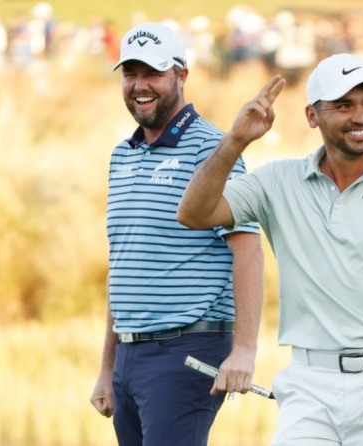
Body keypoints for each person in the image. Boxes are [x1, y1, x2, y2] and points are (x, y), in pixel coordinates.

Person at [177, 53, 363, 444]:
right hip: (308, 386)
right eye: (344, 105)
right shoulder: (278, 183)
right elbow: (194, 214)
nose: (362, 117)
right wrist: (234, 142)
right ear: (312, 116)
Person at [89, 22, 265, 446]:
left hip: (188, 349)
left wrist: (244, 350)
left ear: (181, 75)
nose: (139, 85)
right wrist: (107, 368)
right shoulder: (121, 155)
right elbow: (124, 265)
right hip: (129, 355)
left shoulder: (213, 148)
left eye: (153, 73)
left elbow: (248, 249)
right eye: (130, 74)